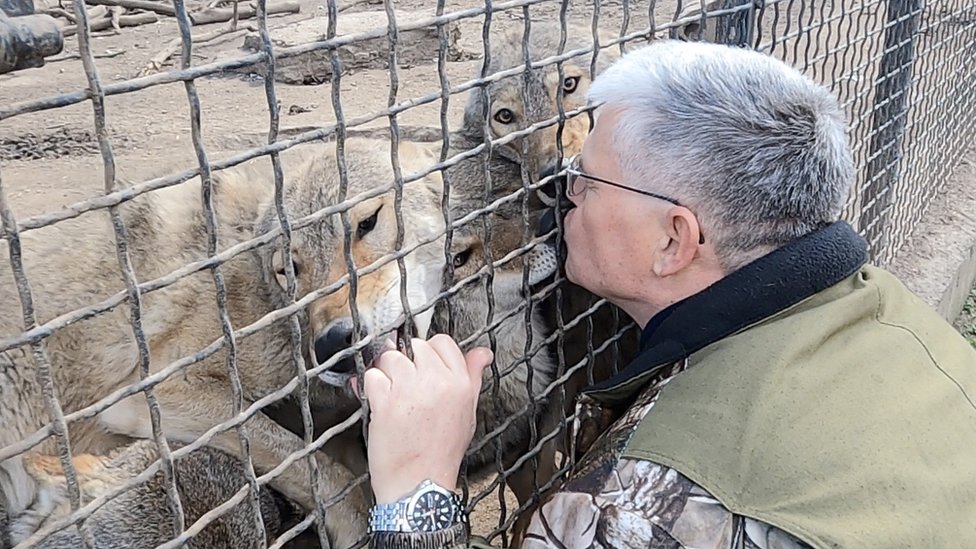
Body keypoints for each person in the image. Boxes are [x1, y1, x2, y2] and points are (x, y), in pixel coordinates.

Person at [357, 39, 976, 549]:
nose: (560, 192)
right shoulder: (911, 332)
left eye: (586, 180)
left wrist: (417, 501)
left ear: (674, 241)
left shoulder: (640, 514)